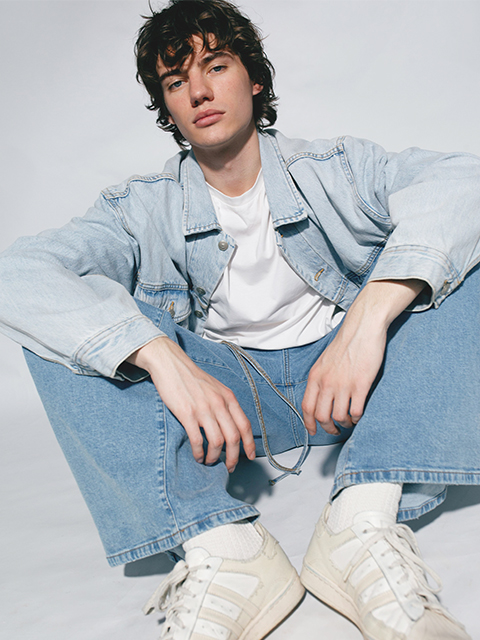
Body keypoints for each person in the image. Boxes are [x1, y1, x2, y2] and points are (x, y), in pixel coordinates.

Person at [1, 0, 479, 638]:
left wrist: (368, 317)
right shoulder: (140, 208)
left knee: (459, 261)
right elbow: (18, 276)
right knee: (68, 328)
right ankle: (227, 553)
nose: (198, 91)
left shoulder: (334, 169)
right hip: (228, 403)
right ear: (167, 105)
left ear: (253, 78)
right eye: (176, 81)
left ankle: (361, 521)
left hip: (354, 385)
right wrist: (162, 359)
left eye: (216, 66)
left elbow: (466, 182)